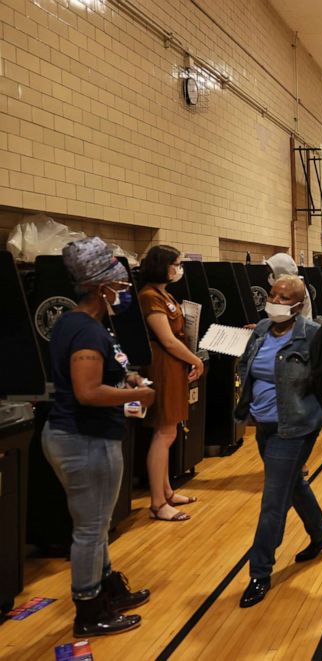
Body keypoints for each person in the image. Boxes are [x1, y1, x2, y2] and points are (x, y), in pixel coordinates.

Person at [43, 237, 154, 636]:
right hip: (85, 440)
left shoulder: (75, 323)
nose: (123, 293)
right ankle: (89, 611)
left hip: (72, 435)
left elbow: (95, 375)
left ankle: (107, 587)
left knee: (97, 522)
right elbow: (88, 392)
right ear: (101, 287)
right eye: (120, 286)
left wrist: (125, 375)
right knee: (91, 529)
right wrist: (138, 393)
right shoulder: (88, 331)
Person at [234, 275, 322, 608]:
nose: (274, 301)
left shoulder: (312, 335)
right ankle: (321, 531)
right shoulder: (262, 329)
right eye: (272, 294)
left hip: (294, 427)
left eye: (283, 297)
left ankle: (259, 572)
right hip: (262, 424)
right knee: (293, 486)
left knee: (273, 500)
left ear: (297, 304)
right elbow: (246, 365)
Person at [138, 245, 204, 522]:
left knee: (171, 431)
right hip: (163, 364)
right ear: (161, 265)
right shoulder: (148, 296)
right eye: (176, 264)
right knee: (163, 433)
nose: (179, 269)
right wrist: (196, 360)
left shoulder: (164, 294)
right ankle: (157, 502)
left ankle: (166, 491)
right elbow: (166, 339)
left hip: (174, 364)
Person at [264, 252, 313, 320]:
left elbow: (284, 318)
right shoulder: (293, 283)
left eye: (284, 298)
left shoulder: (294, 287)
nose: (274, 301)